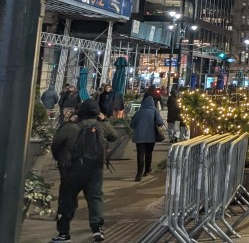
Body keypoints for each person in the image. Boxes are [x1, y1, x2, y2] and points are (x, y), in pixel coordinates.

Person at [50, 99, 118, 243]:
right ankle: (97, 229)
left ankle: (63, 233)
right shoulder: (101, 126)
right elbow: (114, 136)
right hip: (95, 168)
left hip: (72, 169)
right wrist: (104, 119)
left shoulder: (70, 127)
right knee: (95, 198)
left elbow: (56, 145)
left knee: (67, 200)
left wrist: (61, 160)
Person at [130, 94, 164, 181]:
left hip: (139, 137)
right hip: (150, 136)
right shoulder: (154, 111)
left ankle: (139, 174)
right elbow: (160, 122)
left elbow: (132, 124)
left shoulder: (139, 112)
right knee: (149, 153)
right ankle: (147, 170)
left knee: (140, 155)